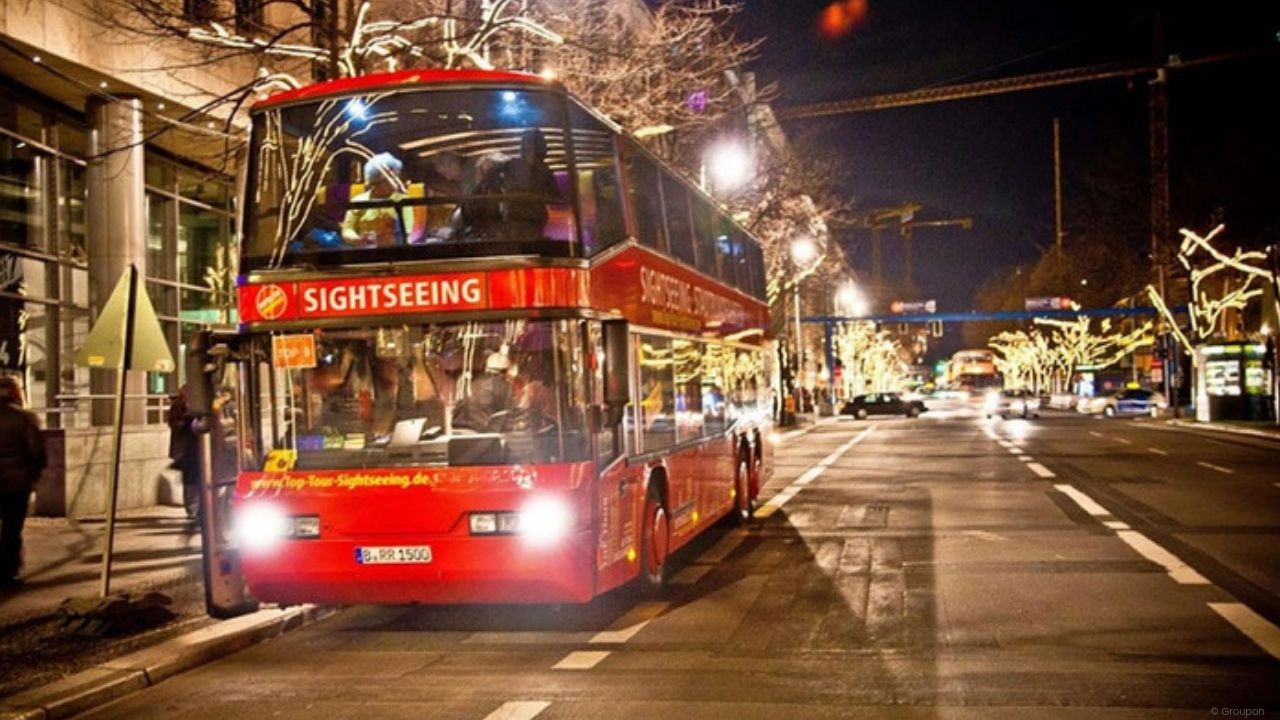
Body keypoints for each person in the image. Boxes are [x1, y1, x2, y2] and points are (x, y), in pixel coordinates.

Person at [0, 376, 47, 589]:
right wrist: (35, 473)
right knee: (11, 529)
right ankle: (8, 572)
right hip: (17, 483)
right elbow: (37, 450)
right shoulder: (24, 418)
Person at [343, 152, 413, 247]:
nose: (396, 180)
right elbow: (347, 230)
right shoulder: (358, 201)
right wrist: (358, 240)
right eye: (391, 177)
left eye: (396, 176)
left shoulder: (403, 200)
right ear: (376, 181)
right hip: (363, 254)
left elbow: (407, 231)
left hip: (394, 251)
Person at [502, 128, 561, 239]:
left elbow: (556, 198)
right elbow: (556, 197)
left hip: (518, 217)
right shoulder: (544, 169)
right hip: (529, 216)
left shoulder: (510, 165)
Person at [454, 350, 513, 430]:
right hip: (484, 434)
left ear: (486, 367)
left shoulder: (472, 383)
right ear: (506, 371)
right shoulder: (503, 386)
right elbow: (507, 415)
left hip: (463, 431)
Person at [167, 385, 201, 519]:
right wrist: (185, 419)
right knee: (190, 480)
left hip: (194, 448)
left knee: (195, 478)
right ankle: (191, 507)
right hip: (185, 449)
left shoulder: (196, 406)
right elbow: (173, 423)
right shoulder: (178, 406)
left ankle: (197, 507)